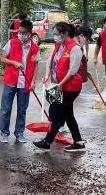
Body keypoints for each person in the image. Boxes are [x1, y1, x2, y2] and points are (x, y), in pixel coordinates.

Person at [33, 22, 86, 153]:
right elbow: (50, 62)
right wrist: (47, 76)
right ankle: (78, 142)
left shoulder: (75, 48)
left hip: (71, 87)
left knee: (58, 113)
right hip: (59, 86)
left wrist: (61, 84)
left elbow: (73, 70)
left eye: (57, 34)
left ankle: (47, 141)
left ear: (65, 33)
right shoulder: (58, 46)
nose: (55, 37)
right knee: (67, 114)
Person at [0, 19, 40, 144]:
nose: (20, 34)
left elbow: (36, 65)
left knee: (22, 110)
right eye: (19, 32)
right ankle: (4, 134)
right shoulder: (12, 43)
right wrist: (13, 63)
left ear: (30, 33)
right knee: (6, 109)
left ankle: (19, 133)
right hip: (10, 80)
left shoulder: (34, 48)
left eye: (23, 32)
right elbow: (2, 58)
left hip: (25, 83)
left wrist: (33, 81)